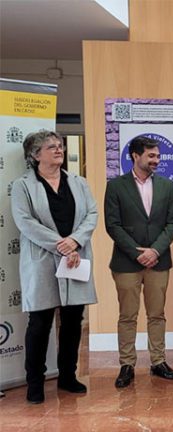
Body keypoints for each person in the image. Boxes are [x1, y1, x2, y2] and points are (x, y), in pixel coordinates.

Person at [11, 130, 98, 404]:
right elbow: (25, 222)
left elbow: (91, 214)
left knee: (73, 321)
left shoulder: (78, 182)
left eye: (59, 146)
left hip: (76, 258)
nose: (58, 150)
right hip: (42, 260)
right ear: (36, 155)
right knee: (40, 323)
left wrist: (75, 241)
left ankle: (68, 376)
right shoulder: (23, 185)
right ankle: (34, 382)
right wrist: (61, 245)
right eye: (51, 147)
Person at [104, 135, 173, 388]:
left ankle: (158, 361)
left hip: (158, 261)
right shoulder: (116, 186)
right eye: (151, 156)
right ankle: (127, 365)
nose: (157, 160)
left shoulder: (168, 186)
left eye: (158, 156)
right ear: (136, 156)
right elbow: (112, 225)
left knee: (157, 314)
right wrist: (138, 253)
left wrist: (155, 251)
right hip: (127, 262)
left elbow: (172, 223)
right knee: (128, 316)